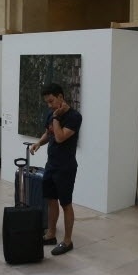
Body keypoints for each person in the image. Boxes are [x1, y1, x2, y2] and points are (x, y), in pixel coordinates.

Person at [29, 83, 82, 255]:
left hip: (65, 167)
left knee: (65, 203)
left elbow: (59, 137)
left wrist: (57, 117)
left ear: (60, 96)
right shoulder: (51, 114)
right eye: (47, 102)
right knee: (51, 199)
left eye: (51, 101)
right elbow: (50, 133)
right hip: (51, 165)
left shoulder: (74, 117)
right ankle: (51, 234)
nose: (49, 105)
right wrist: (38, 142)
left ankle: (67, 241)